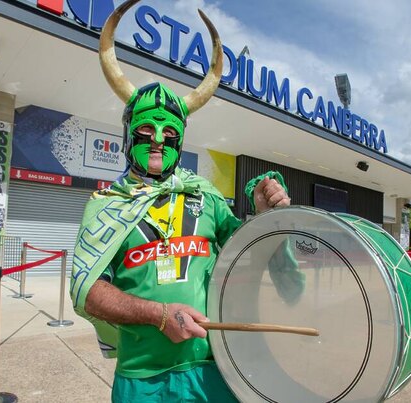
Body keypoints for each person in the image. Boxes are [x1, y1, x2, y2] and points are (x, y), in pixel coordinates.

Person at [70, 2, 291, 401]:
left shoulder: (205, 195)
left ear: (180, 142)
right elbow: (87, 292)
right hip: (143, 379)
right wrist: (157, 315)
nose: (158, 139)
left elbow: (248, 252)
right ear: (127, 135)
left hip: (214, 370)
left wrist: (264, 215)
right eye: (146, 129)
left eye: (170, 133)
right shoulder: (106, 204)